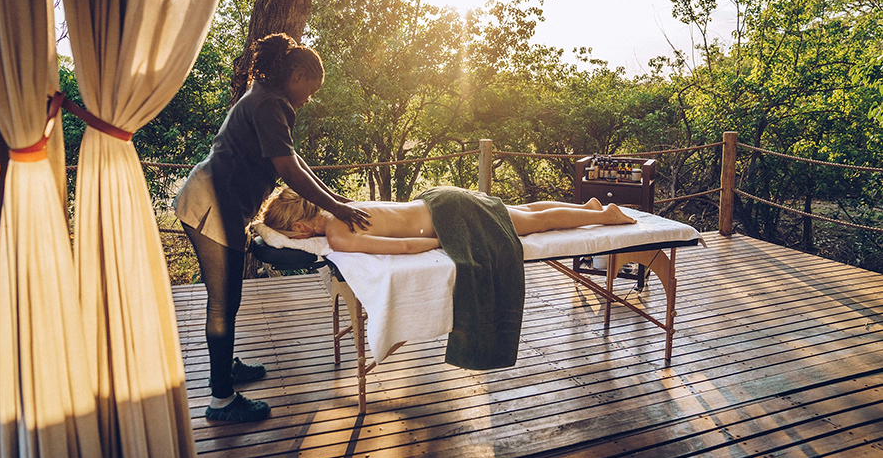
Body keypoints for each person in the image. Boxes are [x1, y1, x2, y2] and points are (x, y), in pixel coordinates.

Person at [174, 33, 370, 422]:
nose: (308, 98)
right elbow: (287, 169)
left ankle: (225, 367)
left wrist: (337, 200)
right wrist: (335, 207)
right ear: (296, 75)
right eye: (309, 90)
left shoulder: (265, 96)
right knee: (223, 300)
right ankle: (222, 400)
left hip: (216, 201)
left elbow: (293, 160)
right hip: (210, 204)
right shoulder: (268, 103)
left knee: (228, 298)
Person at [259, 186, 637, 255]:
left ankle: (604, 214)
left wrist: (444, 242)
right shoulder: (341, 206)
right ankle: (588, 208)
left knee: (531, 223)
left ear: (300, 229)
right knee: (518, 212)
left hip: (447, 216)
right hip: (438, 198)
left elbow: (406, 246)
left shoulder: (339, 233)